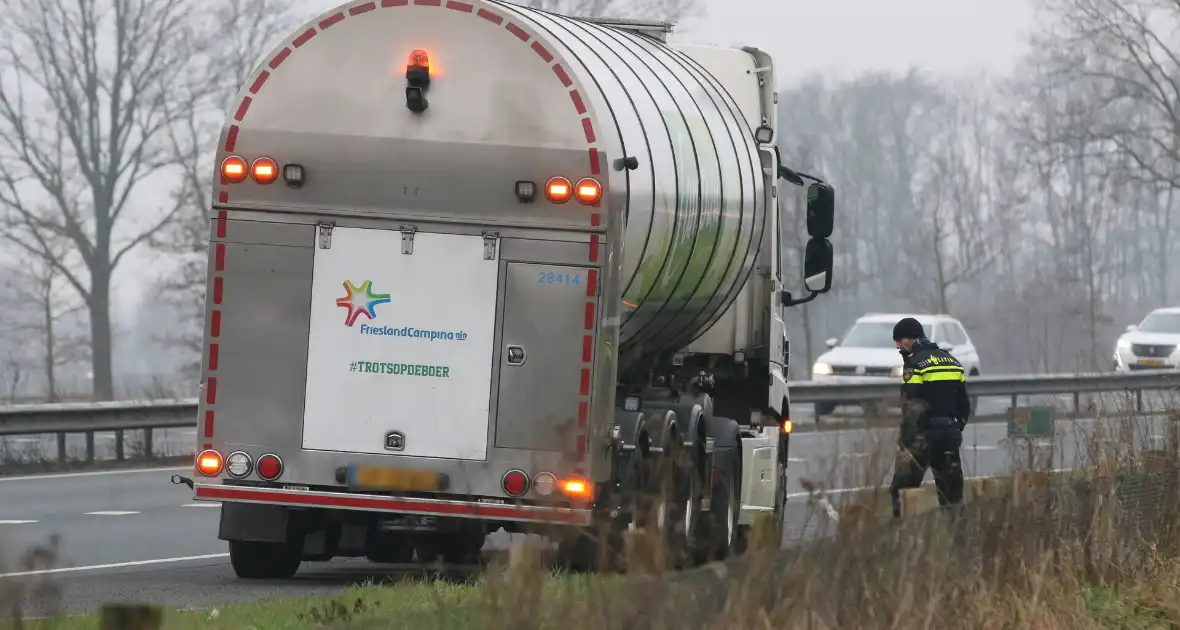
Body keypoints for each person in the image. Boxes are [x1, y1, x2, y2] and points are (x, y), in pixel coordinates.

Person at [888, 317, 971, 518]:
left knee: (902, 491)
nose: (899, 347)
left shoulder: (914, 364)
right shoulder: (952, 361)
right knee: (952, 497)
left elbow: (911, 407)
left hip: (923, 438)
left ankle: (904, 536)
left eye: (900, 341)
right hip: (950, 434)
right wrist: (954, 428)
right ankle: (961, 541)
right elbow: (964, 405)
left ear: (912, 339)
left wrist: (906, 442)